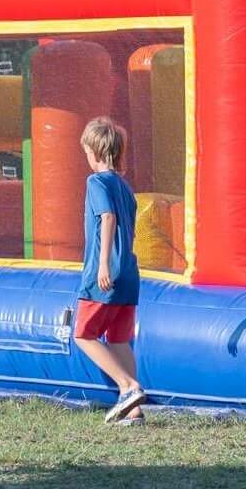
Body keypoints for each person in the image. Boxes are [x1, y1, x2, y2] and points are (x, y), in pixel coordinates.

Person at [72, 116, 146, 425]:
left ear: (96, 152)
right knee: (118, 339)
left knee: (83, 335)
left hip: (106, 272)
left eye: (86, 152)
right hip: (129, 272)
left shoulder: (97, 181)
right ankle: (135, 410)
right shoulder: (125, 187)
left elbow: (108, 218)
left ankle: (127, 387)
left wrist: (102, 264)